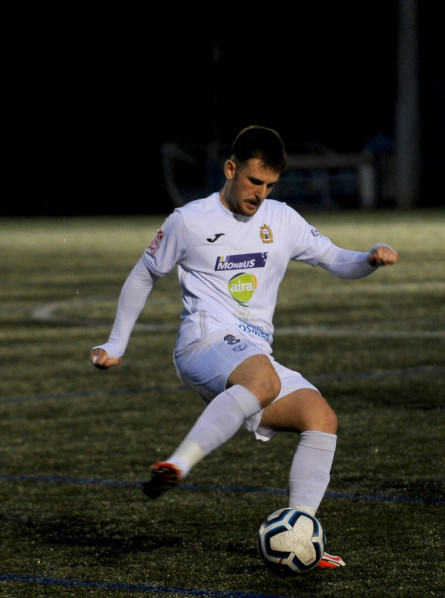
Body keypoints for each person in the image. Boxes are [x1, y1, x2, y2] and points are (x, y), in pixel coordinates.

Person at [91, 125, 398, 567]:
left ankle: (299, 532)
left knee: (321, 418)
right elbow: (144, 274)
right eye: (255, 181)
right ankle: (178, 464)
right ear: (231, 168)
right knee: (263, 378)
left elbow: (336, 259)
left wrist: (369, 259)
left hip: (253, 354)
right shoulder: (189, 220)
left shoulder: (282, 219)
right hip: (203, 341)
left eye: (270, 185)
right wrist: (116, 341)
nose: (261, 194)